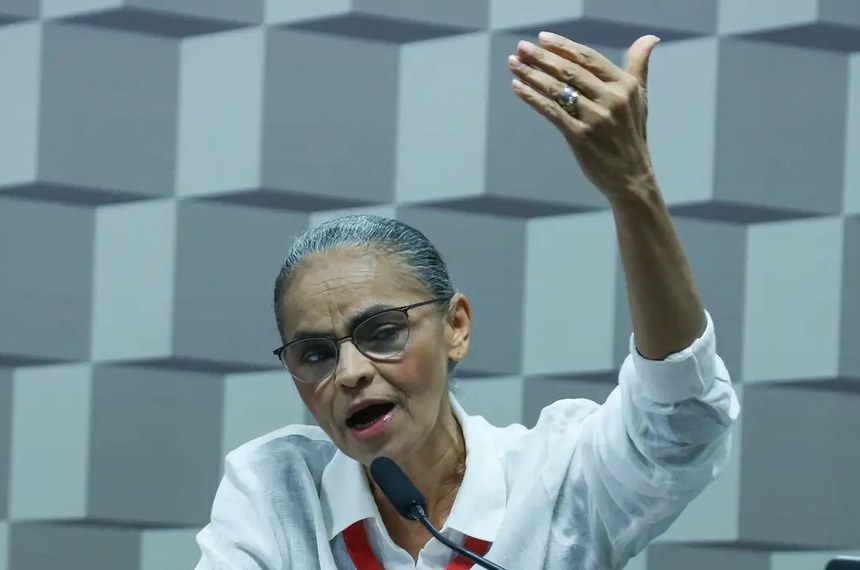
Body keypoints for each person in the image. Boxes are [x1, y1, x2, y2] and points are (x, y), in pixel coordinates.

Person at [194, 32, 739, 570]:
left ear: (455, 327)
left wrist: (633, 189)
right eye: (316, 354)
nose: (351, 373)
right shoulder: (275, 491)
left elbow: (680, 419)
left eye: (383, 332)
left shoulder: (557, 479)